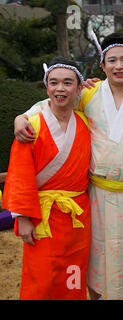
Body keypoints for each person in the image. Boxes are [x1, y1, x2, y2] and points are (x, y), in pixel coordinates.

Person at [13, 33, 123, 300]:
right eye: (111, 60)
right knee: (93, 260)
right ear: (102, 66)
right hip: (95, 195)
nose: (119, 66)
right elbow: (56, 104)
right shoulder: (88, 94)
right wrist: (23, 116)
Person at [2, 57, 91, 299]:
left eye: (67, 83)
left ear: (78, 88)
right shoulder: (31, 125)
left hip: (77, 217)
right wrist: (24, 218)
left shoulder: (84, 123)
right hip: (42, 216)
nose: (60, 89)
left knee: (73, 276)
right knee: (41, 278)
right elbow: (20, 174)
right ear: (46, 87)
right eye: (53, 83)